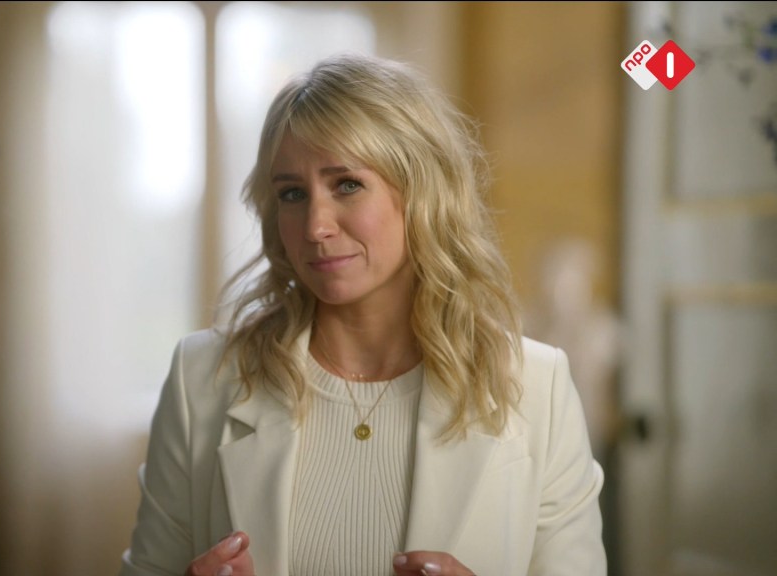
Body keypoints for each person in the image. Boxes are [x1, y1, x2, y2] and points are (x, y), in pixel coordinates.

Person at [119, 53, 606, 576]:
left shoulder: (536, 386)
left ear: (423, 190)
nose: (315, 226)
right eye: (292, 194)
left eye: (347, 184)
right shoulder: (202, 378)